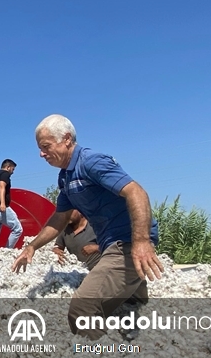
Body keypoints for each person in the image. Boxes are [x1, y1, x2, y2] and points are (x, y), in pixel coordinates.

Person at [11, 114, 164, 338]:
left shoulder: (91, 161)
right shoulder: (65, 178)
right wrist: (32, 246)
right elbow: (59, 219)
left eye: (45, 146)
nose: (41, 154)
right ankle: (138, 314)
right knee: (130, 302)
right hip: (112, 247)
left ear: (66, 139)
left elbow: (136, 192)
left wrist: (141, 241)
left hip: (126, 244)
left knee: (82, 309)